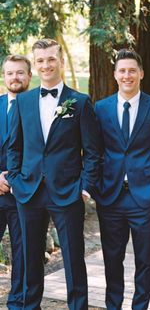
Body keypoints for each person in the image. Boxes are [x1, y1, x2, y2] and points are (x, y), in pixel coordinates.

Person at [7, 39, 102, 310]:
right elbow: (15, 145)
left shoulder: (80, 102)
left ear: (60, 62)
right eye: (40, 61)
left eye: (51, 59)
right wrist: (15, 179)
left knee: (73, 258)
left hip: (68, 191)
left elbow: (93, 151)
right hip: (29, 190)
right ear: (35, 66)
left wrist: (85, 187)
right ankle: (29, 306)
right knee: (29, 257)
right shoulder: (23, 101)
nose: (46, 65)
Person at [95, 48, 150, 310]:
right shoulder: (101, 108)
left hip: (145, 196)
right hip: (111, 196)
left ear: (140, 73)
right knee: (112, 258)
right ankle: (113, 306)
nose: (127, 75)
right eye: (122, 71)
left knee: (144, 260)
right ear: (115, 75)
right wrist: (95, 186)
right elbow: (95, 151)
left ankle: (140, 306)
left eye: (132, 70)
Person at [0, 54, 32, 309]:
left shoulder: (38, 108)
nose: (15, 78)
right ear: (4, 76)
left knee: (24, 254)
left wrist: (16, 178)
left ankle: (18, 304)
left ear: (29, 76)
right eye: (10, 73)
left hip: (25, 193)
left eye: (20, 73)